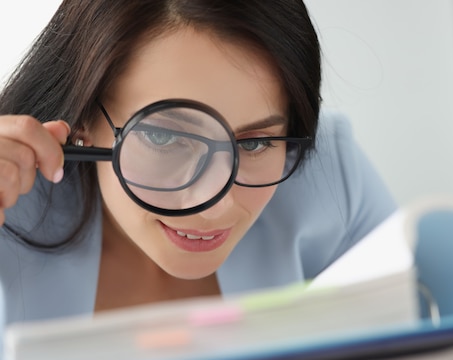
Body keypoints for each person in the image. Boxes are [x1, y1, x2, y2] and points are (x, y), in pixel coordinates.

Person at [0, 0, 395, 332]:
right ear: (83, 115)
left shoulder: (327, 175)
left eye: (256, 142)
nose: (214, 206)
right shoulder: (10, 210)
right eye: (164, 138)